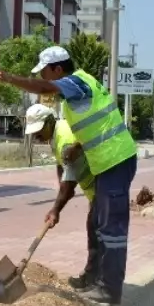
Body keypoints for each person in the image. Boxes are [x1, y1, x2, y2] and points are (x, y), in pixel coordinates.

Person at [0, 46, 138, 305]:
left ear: (58, 69)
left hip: (116, 159)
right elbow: (94, 125)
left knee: (111, 230)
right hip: (108, 163)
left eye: (45, 72)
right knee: (100, 226)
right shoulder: (77, 94)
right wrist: (79, 146)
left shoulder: (76, 81)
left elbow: (45, 89)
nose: (44, 78)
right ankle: (97, 280)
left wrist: (7, 78)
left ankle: (110, 289)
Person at [24, 104, 101, 288]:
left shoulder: (65, 140)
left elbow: (69, 187)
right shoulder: (56, 135)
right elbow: (61, 166)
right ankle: (96, 277)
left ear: (50, 122)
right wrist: (62, 186)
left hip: (104, 187)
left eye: (39, 130)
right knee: (96, 231)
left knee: (97, 231)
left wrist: (56, 209)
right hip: (97, 189)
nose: (36, 136)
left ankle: (96, 279)